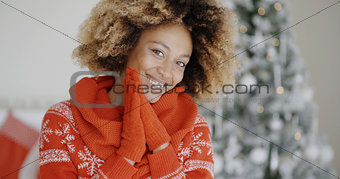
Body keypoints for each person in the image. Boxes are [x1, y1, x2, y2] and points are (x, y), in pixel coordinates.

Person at [39, 0, 237, 178]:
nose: (167, 72)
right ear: (125, 45)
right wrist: (128, 154)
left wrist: (160, 145)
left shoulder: (194, 130)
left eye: (180, 63)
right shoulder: (63, 121)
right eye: (158, 52)